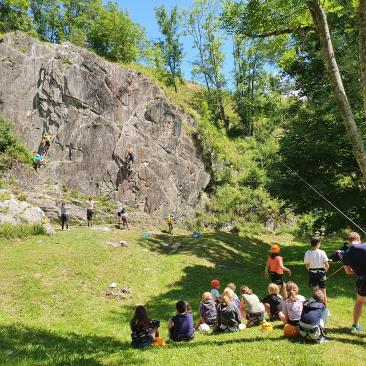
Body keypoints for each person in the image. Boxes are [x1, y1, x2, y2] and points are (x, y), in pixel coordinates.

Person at [342, 231, 366, 333]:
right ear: (358, 239)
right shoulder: (364, 246)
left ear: (349, 241)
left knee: (360, 302)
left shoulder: (346, 254)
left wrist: (357, 270)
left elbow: (348, 271)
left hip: (361, 280)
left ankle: (355, 325)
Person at [304, 236, 329, 304]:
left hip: (312, 273)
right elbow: (327, 265)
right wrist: (324, 273)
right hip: (321, 273)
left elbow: (307, 266)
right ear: (318, 243)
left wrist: (311, 270)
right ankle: (325, 309)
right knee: (323, 291)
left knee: (316, 291)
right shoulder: (322, 252)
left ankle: (316, 308)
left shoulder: (307, 253)